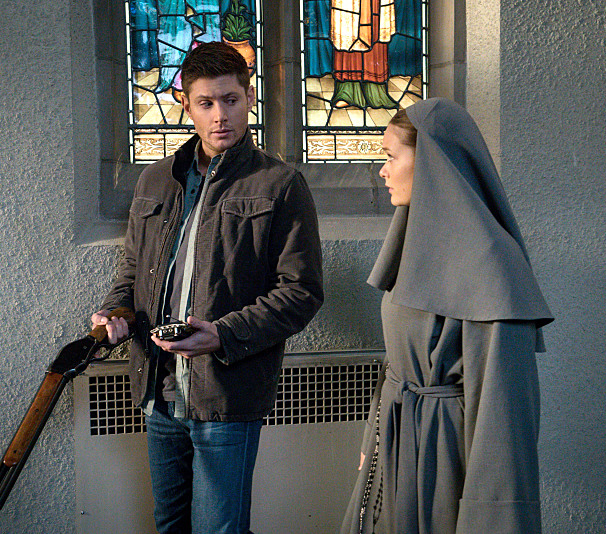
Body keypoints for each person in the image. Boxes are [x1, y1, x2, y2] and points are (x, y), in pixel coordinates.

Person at [91, 41, 323, 534]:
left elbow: (301, 291)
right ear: (186, 105)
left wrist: (223, 334)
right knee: (170, 524)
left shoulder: (280, 183)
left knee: (220, 529)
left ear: (250, 97)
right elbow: (132, 270)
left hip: (226, 392)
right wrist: (115, 312)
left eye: (231, 100)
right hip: (157, 389)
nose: (221, 115)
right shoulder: (155, 180)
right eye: (206, 103)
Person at [341, 98, 554, 534]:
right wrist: (374, 440)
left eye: (390, 157)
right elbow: (396, 366)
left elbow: (502, 419)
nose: (382, 171)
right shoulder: (411, 246)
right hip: (397, 445)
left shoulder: (495, 268)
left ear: (431, 163)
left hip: (445, 462)